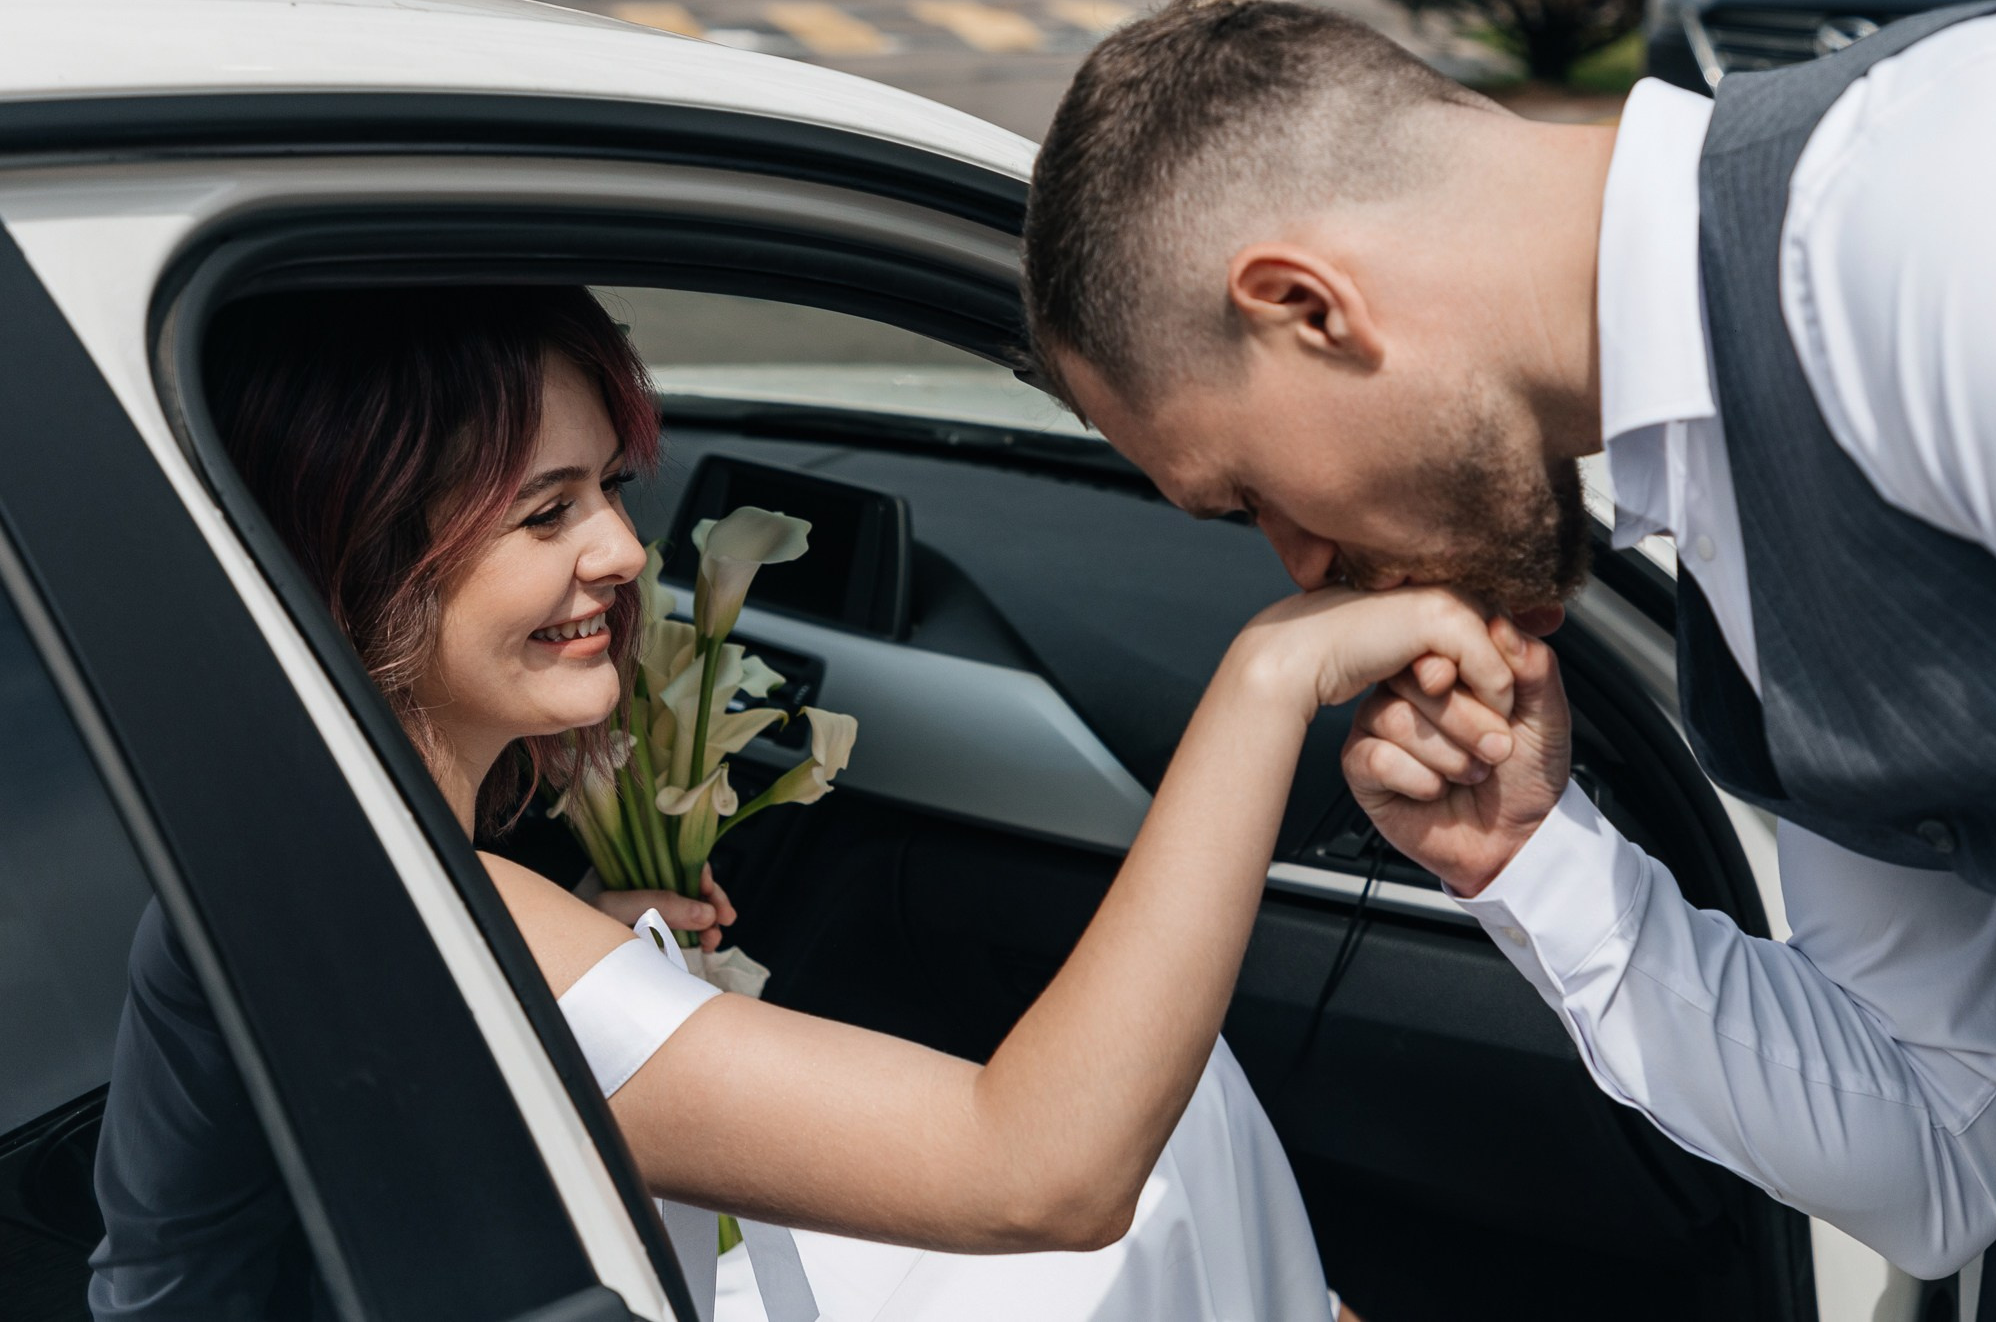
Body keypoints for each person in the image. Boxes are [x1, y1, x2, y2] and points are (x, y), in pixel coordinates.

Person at [1017, 0, 1996, 1320]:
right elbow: (1948, 1148)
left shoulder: (1964, 209)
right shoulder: (1733, 513)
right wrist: (1536, 864)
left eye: (1242, 494)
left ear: (1303, 307)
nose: (1296, 568)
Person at [97, 284, 1514, 1320]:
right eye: (545, 513)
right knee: (1156, 1149)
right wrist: (1269, 677)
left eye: (607, 488)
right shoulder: (418, 915)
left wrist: (599, 940)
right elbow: (1039, 1169)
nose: (617, 549)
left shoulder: (359, 859)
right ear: (371, 565)